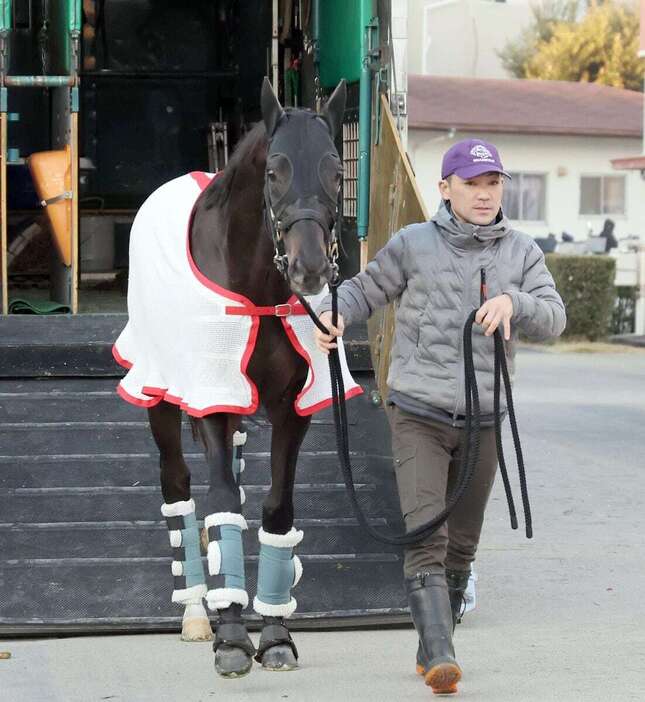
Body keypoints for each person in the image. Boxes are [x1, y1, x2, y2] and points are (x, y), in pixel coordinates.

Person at [313, 138, 566, 695]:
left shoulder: (523, 253)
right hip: (418, 413)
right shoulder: (413, 243)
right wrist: (335, 311)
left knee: (463, 546)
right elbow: (365, 289)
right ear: (445, 189)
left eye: (492, 184)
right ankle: (442, 654)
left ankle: (434, 641)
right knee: (425, 532)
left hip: (484, 419)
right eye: (471, 184)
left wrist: (514, 303)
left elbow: (554, 317)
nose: (483, 194)